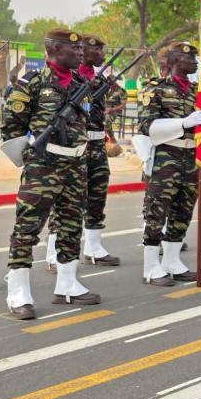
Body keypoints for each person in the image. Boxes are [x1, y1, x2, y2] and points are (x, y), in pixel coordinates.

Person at [0, 28, 99, 319]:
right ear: (55, 50)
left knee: (70, 226)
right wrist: (31, 159)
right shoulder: (30, 83)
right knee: (28, 228)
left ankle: (67, 284)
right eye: (74, 49)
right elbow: (10, 132)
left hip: (75, 166)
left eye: (81, 49)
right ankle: (18, 291)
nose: (80, 53)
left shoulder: (81, 83)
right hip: (43, 165)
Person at [135, 41, 201, 287]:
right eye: (187, 57)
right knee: (157, 212)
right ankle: (151, 266)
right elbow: (147, 126)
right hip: (166, 156)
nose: (193, 61)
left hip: (191, 158)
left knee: (183, 211)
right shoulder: (155, 88)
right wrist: (184, 123)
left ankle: (172, 261)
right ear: (172, 62)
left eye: (195, 58)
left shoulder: (198, 91)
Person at [78, 35, 123, 266]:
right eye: (98, 51)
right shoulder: (72, 77)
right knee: (70, 199)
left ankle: (93, 246)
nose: (103, 55)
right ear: (84, 51)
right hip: (77, 145)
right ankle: (55, 252)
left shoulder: (96, 77)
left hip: (97, 144)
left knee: (97, 196)